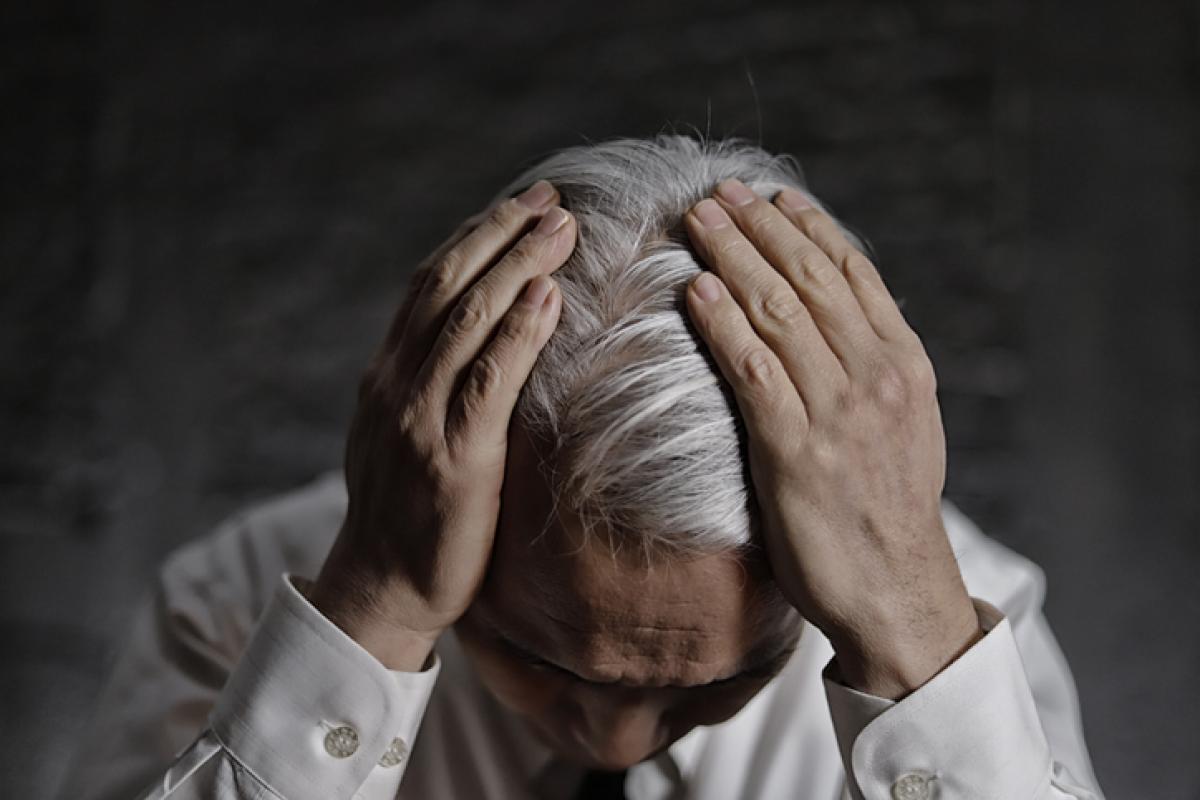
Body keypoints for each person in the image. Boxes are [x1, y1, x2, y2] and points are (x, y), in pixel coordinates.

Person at [60, 135, 1105, 800]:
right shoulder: (240, 606)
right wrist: (375, 611)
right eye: (541, 658)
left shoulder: (961, 636)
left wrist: (918, 658)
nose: (614, 740)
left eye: (721, 680)